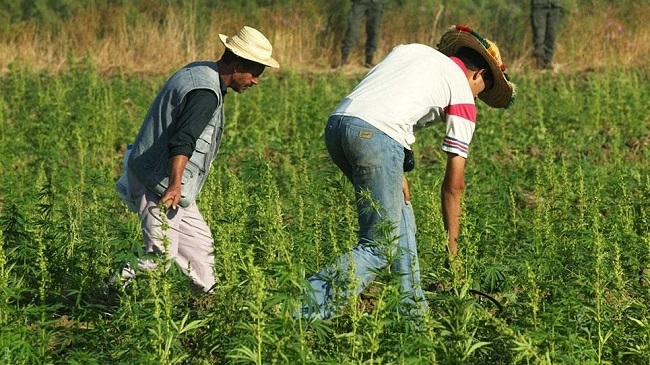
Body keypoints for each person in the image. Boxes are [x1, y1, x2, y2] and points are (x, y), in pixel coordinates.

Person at [300, 25, 516, 320]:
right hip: (376, 137)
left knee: (402, 225)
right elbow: (454, 185)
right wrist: (452, 249)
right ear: (478, 75)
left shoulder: (411, 51)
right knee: (379, 246)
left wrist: (396, 167)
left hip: (339, 126)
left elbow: (384, 101)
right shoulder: (463, 94)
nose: (478, 98)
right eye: (483, 91)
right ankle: (295, 312)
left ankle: (413, 319)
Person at [115, 26, 279, 293]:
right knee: (160, 255)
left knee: (200, 249)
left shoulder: (201, 71)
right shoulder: (205, 92)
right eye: (255, 73)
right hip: (160, 182)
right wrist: (175, 185)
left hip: (168, 182)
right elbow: (183, 140)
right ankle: (109, 293)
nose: (256, 81)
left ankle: (212, 304)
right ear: (237, 66)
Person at [339, 0, 385, 68]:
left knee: (374, 31)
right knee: (352, 29)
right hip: (359, 2)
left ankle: (369, 60)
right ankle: (344, 59)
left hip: (376, 3)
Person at [530, 0, 563, 70]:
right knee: (539, 36)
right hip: (539, 6)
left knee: (552, 35)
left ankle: (548, 62)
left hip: (555, 6)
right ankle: (539, 63)